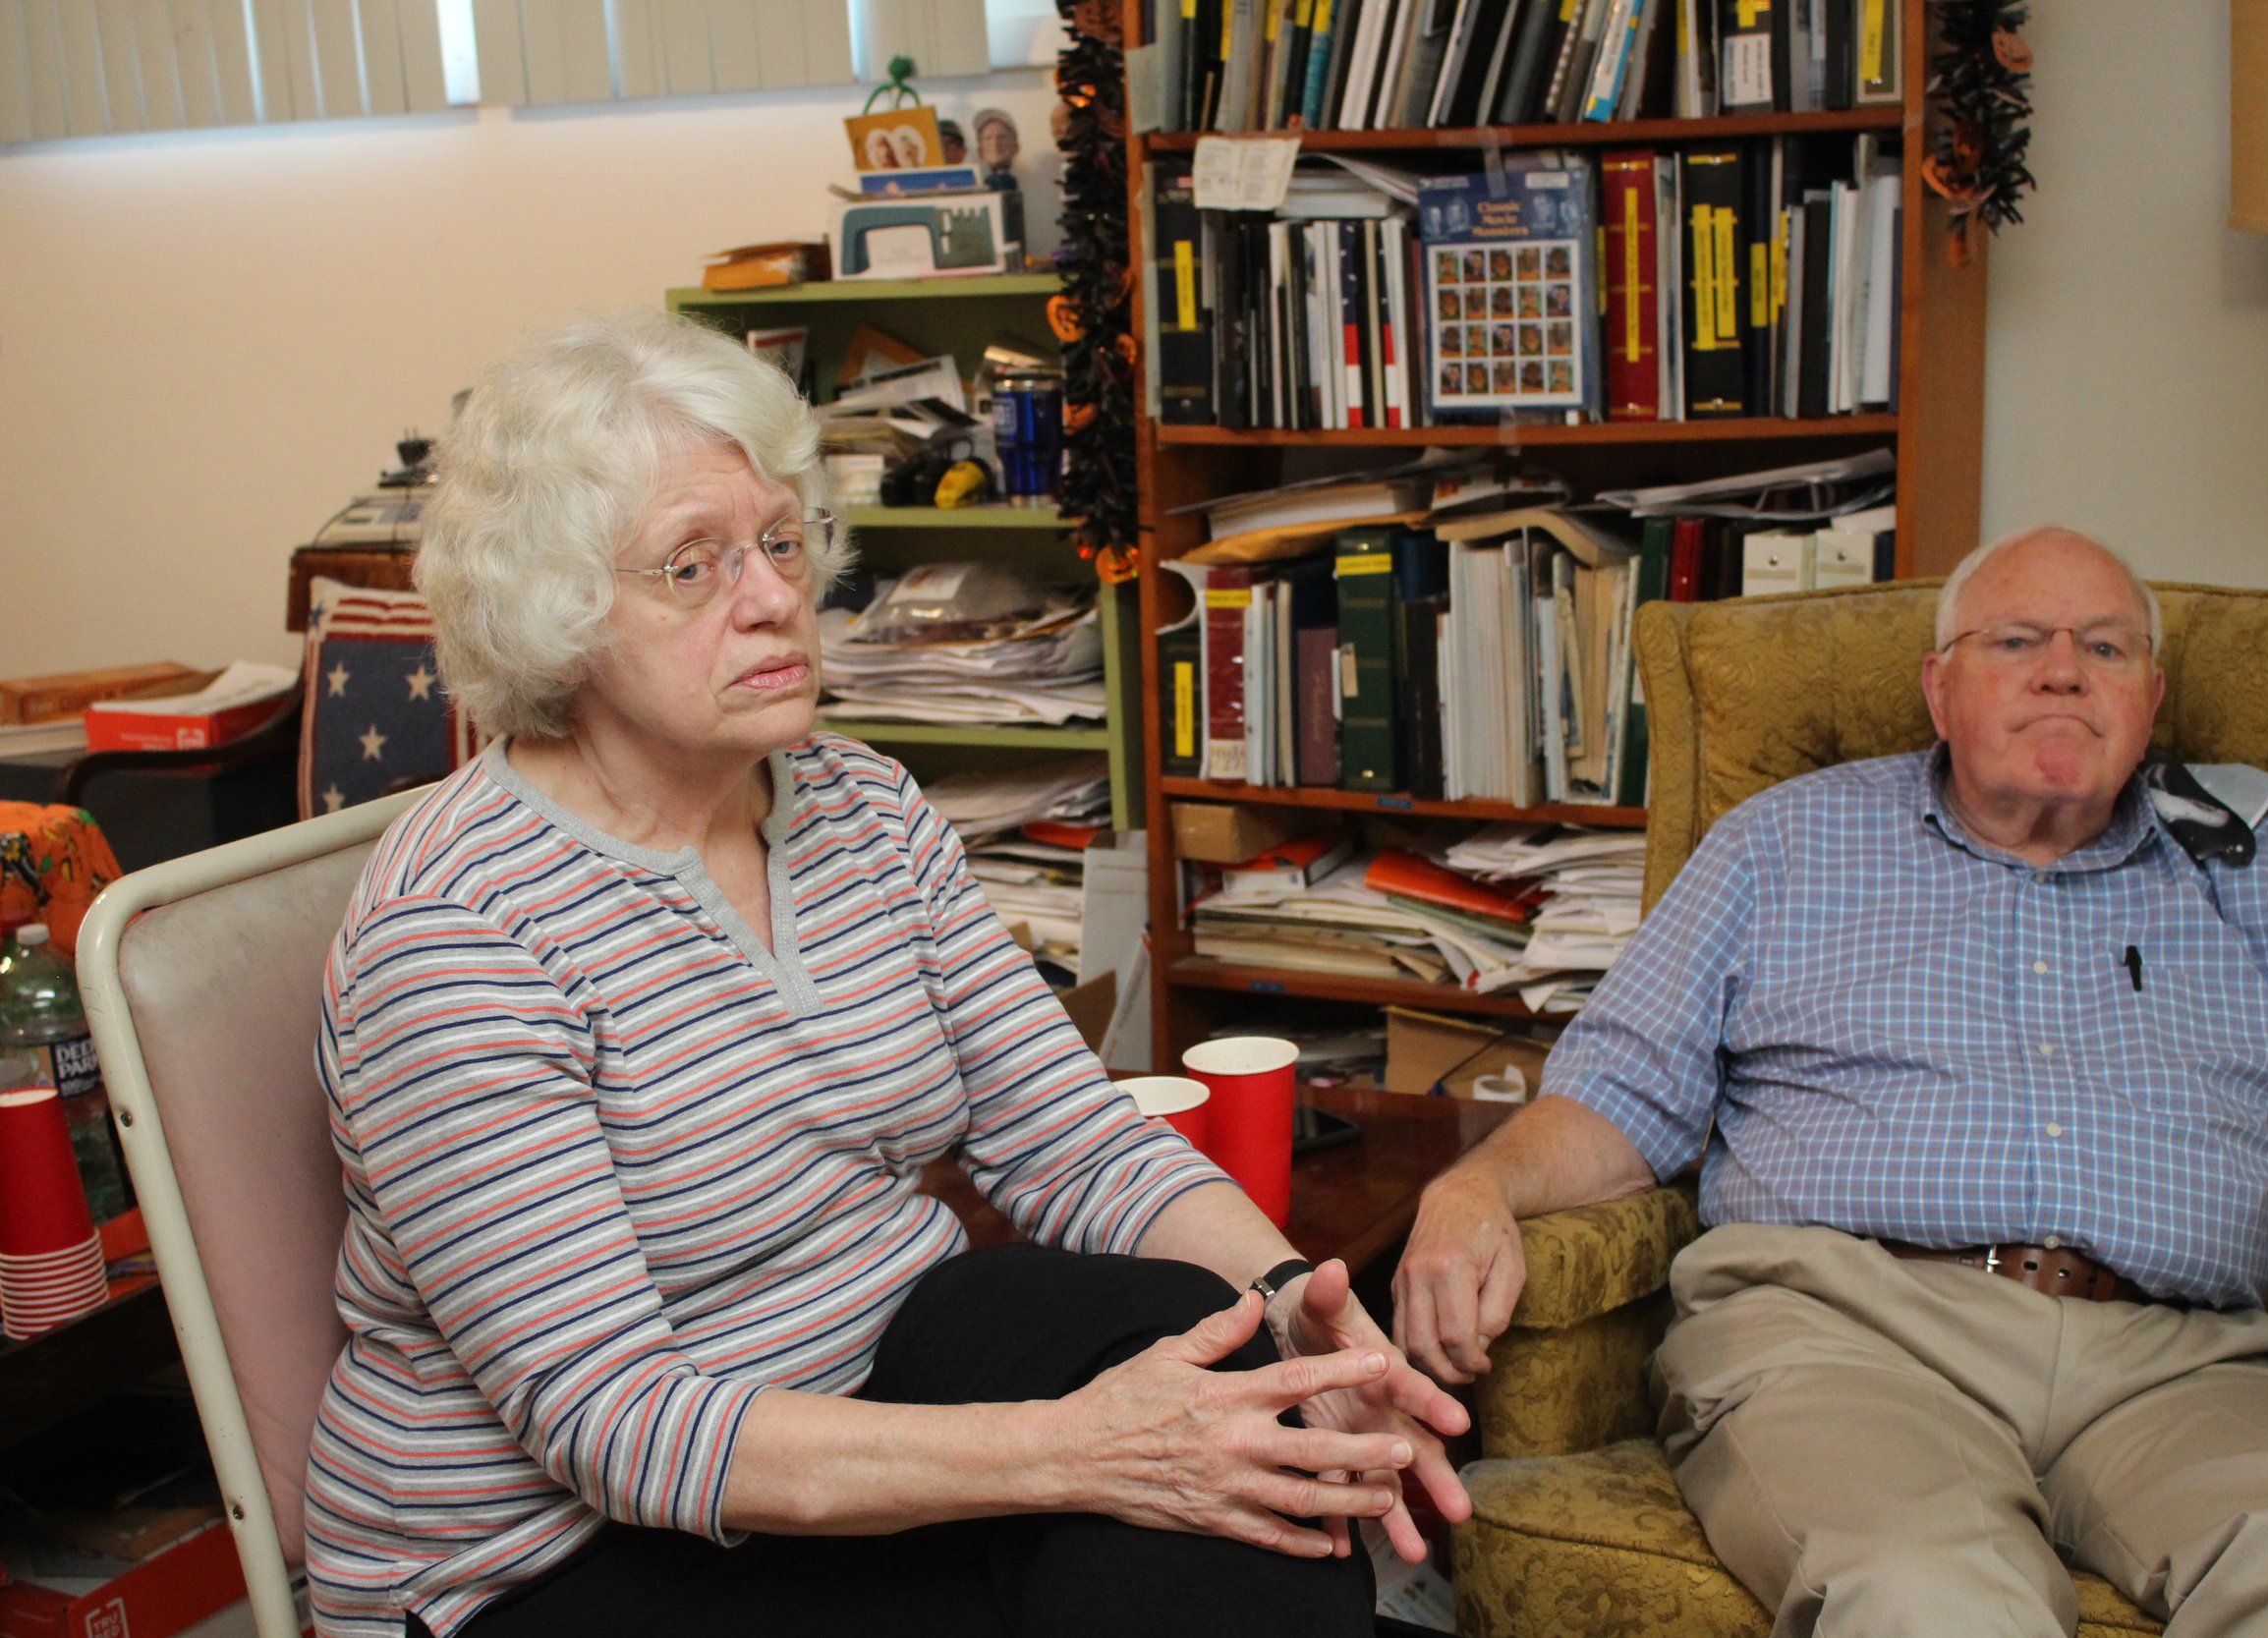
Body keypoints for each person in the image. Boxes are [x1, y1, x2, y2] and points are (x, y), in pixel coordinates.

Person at [307, 311, 1471, 1638]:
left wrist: (1298, 1319)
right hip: (555, 1551)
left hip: (865, 1385)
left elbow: (1077, 1142)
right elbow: (616, 1426)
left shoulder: (858, 802)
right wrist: (1077, 1447)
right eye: (693, 565)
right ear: (555, 613)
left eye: (782, 542)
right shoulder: (458, 935)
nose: (771, 597)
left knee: (1209, 1347)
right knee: (1161, 1490)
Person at [1393, 528, 2268, 1636]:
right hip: (1845, 1330)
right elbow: (1617, 1094)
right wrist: (1482, 1190)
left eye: (2105, 646)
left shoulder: (2267, 864)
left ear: (2151, 696)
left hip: (2184, 1367)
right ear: (1938, 687)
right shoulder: (1784, 843)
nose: (2062, 668)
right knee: (1929, 1595)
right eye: (2015, 639)